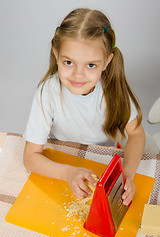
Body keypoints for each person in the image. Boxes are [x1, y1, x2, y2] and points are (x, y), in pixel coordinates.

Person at [23, 8, 145, 206]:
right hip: (61, 165)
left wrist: (127, 175)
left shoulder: (112, 89)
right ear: (56, 55)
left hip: (102, 163)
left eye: (90, 65)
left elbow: (137, 134)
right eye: (69, 62)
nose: (78, 75)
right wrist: (68, 172)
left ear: (107, 62)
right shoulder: (48, 92)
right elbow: (30, 157)